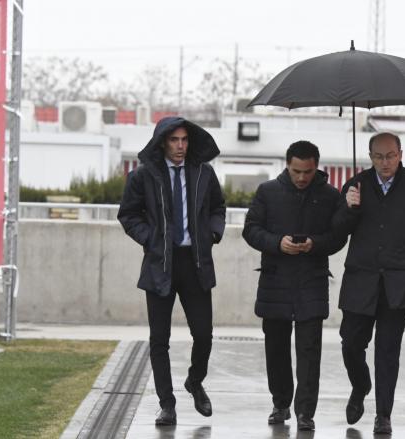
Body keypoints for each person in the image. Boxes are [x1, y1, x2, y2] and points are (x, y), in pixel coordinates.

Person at [118, 116, 226, 426]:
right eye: (174, 140)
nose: (180, 146)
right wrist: (150, 239)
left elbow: (218, 208)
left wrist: (212, 234)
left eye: (184, 140)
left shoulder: (204, 173)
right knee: (159, 340)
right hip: (159, 264)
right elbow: (128, 214)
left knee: (203, 335)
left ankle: (195, 380)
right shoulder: (144, 176)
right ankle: (167, 404)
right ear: (163, 141)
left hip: (196, 264)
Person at [333, 132, 405, 435]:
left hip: (399, 282)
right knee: (351, 343)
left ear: (400, 154)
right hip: (360, 280)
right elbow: (338, 231)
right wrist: (348, 208)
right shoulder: (355, 187)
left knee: (387, 349)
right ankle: (360, 385)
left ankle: (383, 414)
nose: (385, 162)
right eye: (379, 157)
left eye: (390, 155)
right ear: (370, 157)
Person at [242, 140, 346, 432]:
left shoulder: (329, 196)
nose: (302, 177)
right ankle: (280, 403)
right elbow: (251, 230)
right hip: (275, 280)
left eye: (308, 171)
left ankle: (305, 412)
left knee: (309, 350)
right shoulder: (267, 192)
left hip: (311, 281)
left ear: (316, 167)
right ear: (287, 165)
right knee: (275, 348)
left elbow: (338, 236)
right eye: (297, 171)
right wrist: (277, 243)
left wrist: (315, 244)